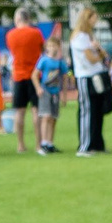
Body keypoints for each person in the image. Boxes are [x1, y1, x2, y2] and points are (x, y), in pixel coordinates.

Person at [70, 6, 112, 154]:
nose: (96, 21)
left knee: (96, 111)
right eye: (94, 18)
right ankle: (84, 146)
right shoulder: (80, 37)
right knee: (87, 111)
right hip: (86, 76)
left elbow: (102, 54)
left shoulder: (89, 36)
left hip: (95, 75)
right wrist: (100, 54)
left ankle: (96, 143)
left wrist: (99, 51)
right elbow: (91, 58)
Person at [4, 6, 47, 155]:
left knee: (19, 112)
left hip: (18, 76)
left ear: (17, 19)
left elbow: (12, 52)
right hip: (35, 76)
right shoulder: (36, 33)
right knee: (36, 111)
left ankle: (20, 144)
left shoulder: (10, 35)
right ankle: (38, 143)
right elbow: (43, 50)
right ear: (28, 19)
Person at [35, 18, 68, 153]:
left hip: (55, 91)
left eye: (55, 46)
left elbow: (65, 78)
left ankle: (50, 142)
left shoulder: (60, 62)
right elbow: (34, 75)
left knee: (54, 117)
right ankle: (43, 142)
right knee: (46, 116)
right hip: (46, 90)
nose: (53, 48)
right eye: (50, 46)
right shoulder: (44, 60)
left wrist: (64, 95)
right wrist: (38, 87)